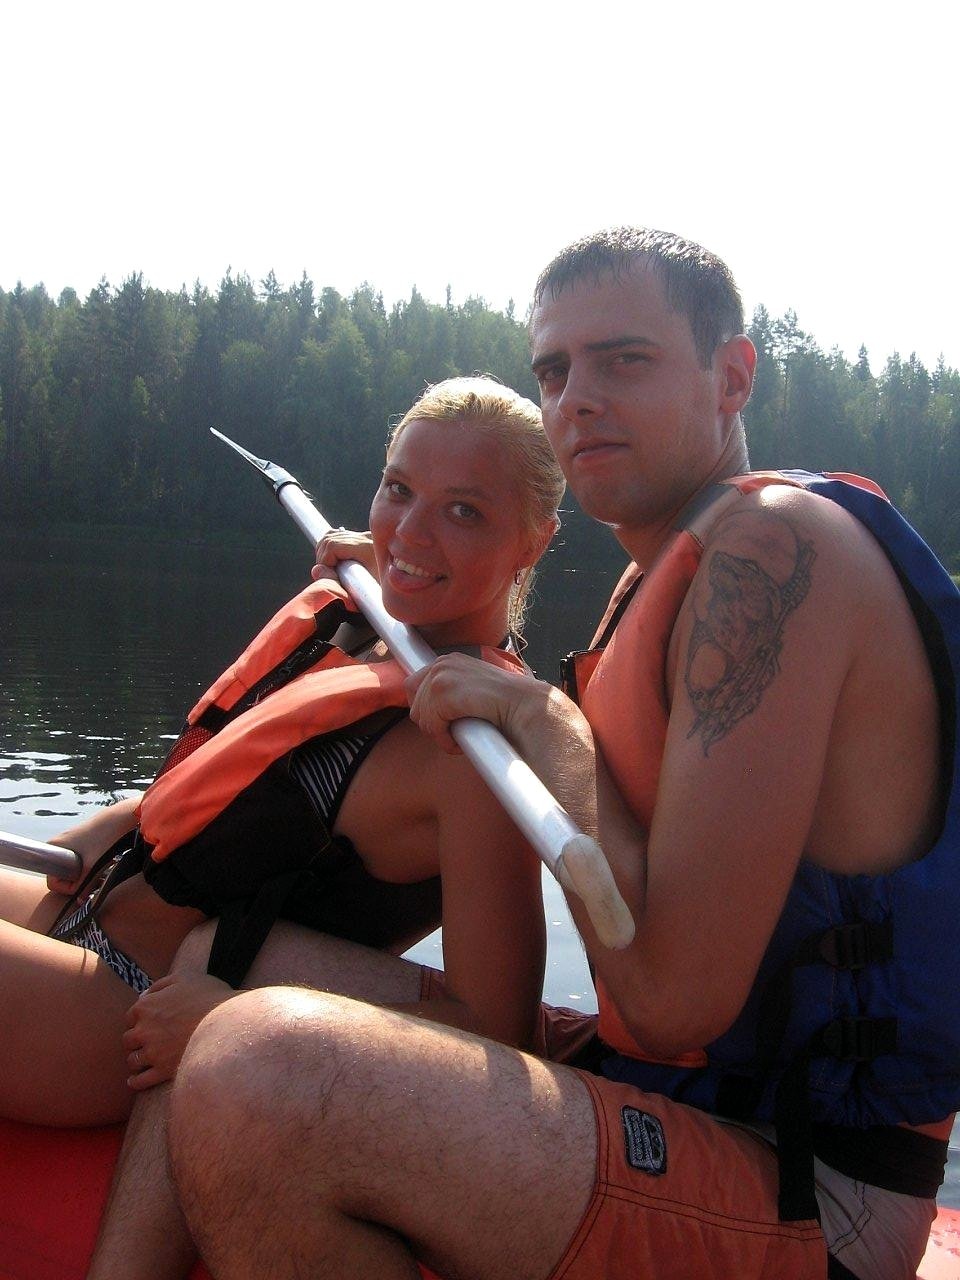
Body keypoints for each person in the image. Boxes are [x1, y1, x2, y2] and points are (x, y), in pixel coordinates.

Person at [164, 228, 959, 1280]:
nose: (576, 399)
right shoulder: (661, 575)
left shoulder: (773, 552)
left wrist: (548, 720)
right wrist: (397, 579)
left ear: (731, 376)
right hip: (685, 1096)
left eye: (622, 360)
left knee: (256, 1071)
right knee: (224, 955)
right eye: (553, 371)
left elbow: (671, 999)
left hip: (815, 1187)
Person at [0, 375, 563, 1144]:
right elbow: (222, 807)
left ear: (533, 541)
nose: (410, 532)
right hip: (87, 900)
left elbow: (496, 1029)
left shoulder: (472, 756)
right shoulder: (368, 630)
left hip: (124, 1014)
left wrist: (244, 1019)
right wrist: (100, 837)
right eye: (398, 491)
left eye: (463, 511)